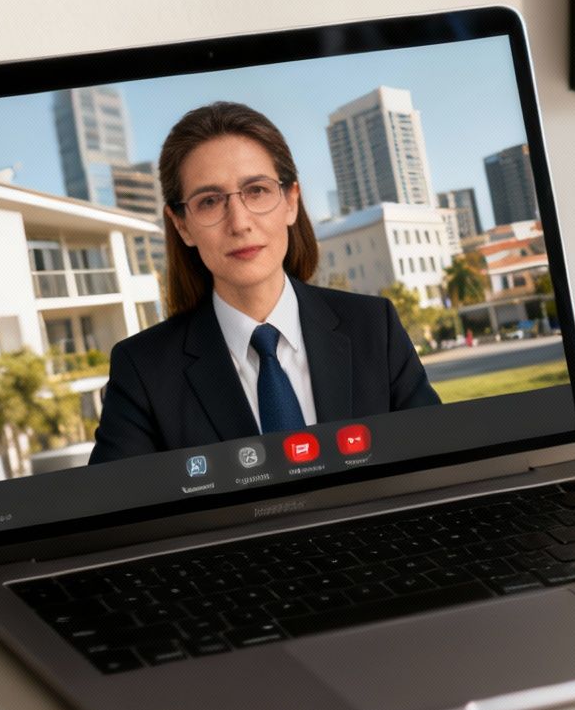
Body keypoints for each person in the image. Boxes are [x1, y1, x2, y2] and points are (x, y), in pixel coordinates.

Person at [89, 102, 439, 464]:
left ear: (290, 201)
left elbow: (438, 466)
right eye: (210, 201)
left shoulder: (374, 327)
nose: (239, 223)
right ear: (182, 225)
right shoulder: (142, 370)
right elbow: (114, 514)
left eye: (256, 190)